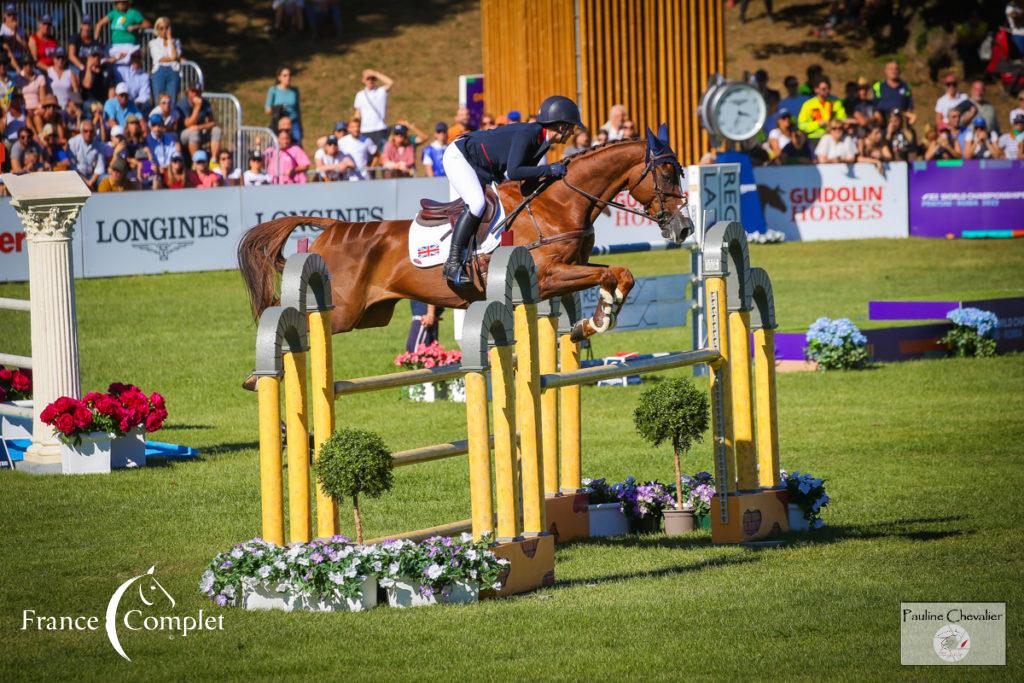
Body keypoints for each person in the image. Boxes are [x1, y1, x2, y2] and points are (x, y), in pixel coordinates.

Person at [440, 95, 581, 284]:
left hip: (485, 166)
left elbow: (517, 175)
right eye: (571, 127)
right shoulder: (530, 134)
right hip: (460, 156)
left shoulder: (542, 141)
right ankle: (452, 262)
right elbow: (515, 172)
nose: (572, 133)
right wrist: (550, 169)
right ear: (561, 127)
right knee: (477, 203)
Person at [798, 75, 847, 151]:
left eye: (828, 88)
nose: (827, 91)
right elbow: (801, 125)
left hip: (832, 138)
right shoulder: (808, 105)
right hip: (814, 139)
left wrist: (832, 123)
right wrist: (818, 124)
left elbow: (843, 119)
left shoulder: (836, 102)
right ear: (816, 90)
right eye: (824, 89)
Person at [178, 85, 222, 159]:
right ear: (188, 92)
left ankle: (213, 160)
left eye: (197, 92)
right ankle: (196, 162)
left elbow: (213, 123)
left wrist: (200, 127)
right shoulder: (183, 103)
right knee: (194, 133)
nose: (195, 94)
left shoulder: (205, 103)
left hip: (199, 130)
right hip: (183, 134)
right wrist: (197, 106)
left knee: (216, 130)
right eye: (192, 91)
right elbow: (188, 124)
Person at [353, 68, 392, 148]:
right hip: (365, 130)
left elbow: (390, 83)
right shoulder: (360, 95)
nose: (370, 81)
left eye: (373, 78)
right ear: (363, 80)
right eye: (368, 79)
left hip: (379, 129)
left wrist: (375, 73)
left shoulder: (381, 91)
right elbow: (357, 113)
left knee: (381, 153)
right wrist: (354, 127)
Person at [148, 17, 181, 106]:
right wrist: (174, 58)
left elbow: (174, 55)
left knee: (172, 101)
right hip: (159, 71)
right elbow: (159, 58)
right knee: (158, 100)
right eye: (161, 28)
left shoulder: (176, 42)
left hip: (173, 71)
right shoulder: (153, 43)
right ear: (157, 30)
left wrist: (170, 39)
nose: (164, 30)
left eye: (166, 28)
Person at [265, 67, 302, 142]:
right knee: (274, 143)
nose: (288, 78)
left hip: (293, 122)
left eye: (289, 75)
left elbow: (297, 109)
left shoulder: (294, 91)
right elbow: (267, 110)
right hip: (279, 122)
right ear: (279, 77)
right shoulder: (273, 90)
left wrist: (300, 125)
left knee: (296, 143)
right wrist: (278, 108)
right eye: (285, 75)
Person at [68, 121, 105, 189]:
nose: (88, 133)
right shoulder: (72, 143)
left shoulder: (98, 145)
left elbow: (100, 167)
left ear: (94, 132)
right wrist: (85, 181)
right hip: (77, 176)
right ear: (81, 131)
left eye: (91, 131)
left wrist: (90, 182)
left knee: (104, 178)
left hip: (91, 176)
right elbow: (72, 167)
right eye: (85, 131)